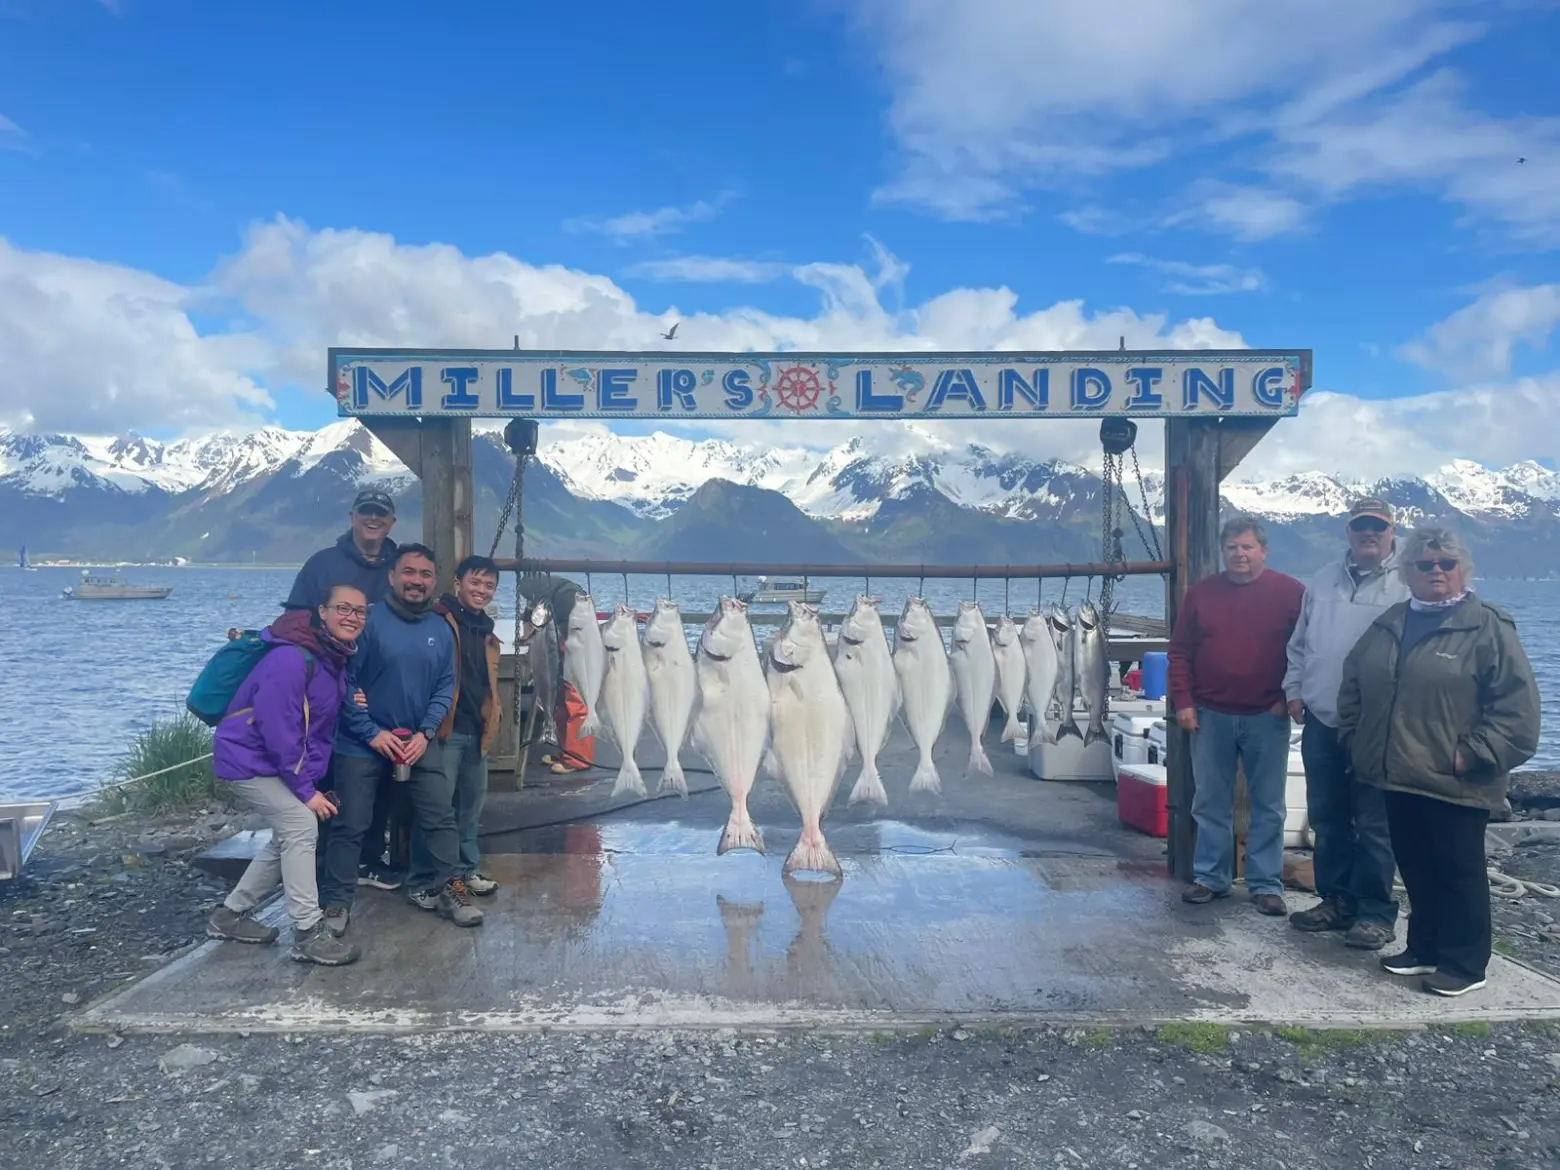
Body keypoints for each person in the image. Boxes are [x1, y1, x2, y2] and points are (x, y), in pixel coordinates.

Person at [1338, 527, 1540, 997]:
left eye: (1445, 564)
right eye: (1425, 564)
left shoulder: (1489, 626)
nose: (1436, 572)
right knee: (1415, 866)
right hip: (1395, 775)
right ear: (1407, 572)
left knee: (1459, 872)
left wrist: (1473, 754)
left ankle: (1466, 963)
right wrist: (1355, 739)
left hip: (1456, 780)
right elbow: (1353, 683)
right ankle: (1424, 947)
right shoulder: (1391, 621)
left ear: (1462, 570)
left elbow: (1519, 711)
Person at [318, 543, 484, 932]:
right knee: (351, 823)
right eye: (409, 572)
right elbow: (345, 682)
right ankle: (336, 904)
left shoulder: (441, 629)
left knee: (441, 818)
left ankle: (452, 891)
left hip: (416, 742)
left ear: (435, 581)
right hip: (362, 742)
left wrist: (426, 733)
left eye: (425, 575)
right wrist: (371, 733)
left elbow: (446, 686)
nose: (417, 581)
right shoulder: (367, 622)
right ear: (392, 577)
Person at [206, 584, 366, 966]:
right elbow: (280, 730)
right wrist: (306, 791)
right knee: (300, 826)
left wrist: (351, 699)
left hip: (270, 762)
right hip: (246, 761)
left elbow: (317, 717)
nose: (352, 617)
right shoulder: (291, 659)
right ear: (321, 612)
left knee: (287, 836)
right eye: (343, 608)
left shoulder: (330, 658)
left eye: (360, 612)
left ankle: (228, 916)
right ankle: (308, 934)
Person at [1283, 498, 1411, 950]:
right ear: (1349, 533)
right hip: (1321, 719)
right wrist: (1293, 689)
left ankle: (1375, 911)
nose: (1369, 534)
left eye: (1378, 526)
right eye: (1361, 527)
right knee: (1328, 818)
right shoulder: (1321, 581)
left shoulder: (1407, 584)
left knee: (1375, 824)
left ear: (1393, 532)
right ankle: (1336, 899)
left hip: (1379, 726)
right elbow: (1298, 644)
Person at [1168, 514, 1305, 916]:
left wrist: (1287, 698)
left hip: (1268, 714)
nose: (1239, 554)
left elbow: (1305, 650)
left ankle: (1265, 883)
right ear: (1223, 552)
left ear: (1263, 550)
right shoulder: (1201, 594)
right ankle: (1211, 877)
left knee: (1269, 805)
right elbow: (1180, 653)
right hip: (1210, 714)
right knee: (1210, 801)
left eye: (1247, 547)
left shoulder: (1291, 593)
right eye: (1232, 548)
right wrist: (1184, 702)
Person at [405, 555, 503, 903]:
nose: (481, 590)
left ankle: (465, 870)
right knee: (435, 810)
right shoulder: (437, 622)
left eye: (489, 585)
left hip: (478, 733)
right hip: (444, 730)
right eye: (475, 582)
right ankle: (422, 880)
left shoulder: (488, 631)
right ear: (457, 583)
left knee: (469, 809)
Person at [516, 570, 594, 774]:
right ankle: (565, 750)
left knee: (575, 701)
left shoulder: (568, 596)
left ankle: (579, 758)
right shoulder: (542, 595)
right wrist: (528, 636)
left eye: (529, 597)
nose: (529, 600)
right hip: (559, 649)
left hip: (577, 651)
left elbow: (574, 633)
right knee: (558, 699)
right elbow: (531, 615)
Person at [283, 488, 400, 611]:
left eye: (381, 513)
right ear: (352, 516)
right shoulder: (320, 564)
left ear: (392, 521)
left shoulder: (404, 568)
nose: (373, 517)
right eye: (365, 511)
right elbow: (294, 620)